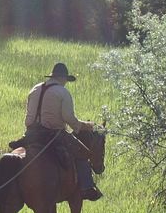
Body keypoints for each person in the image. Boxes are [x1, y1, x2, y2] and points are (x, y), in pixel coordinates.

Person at [10, 62, 102, 201]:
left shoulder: (35, 89)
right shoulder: (63, 92)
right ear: (63, 78)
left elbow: (29, 115)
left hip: (30, 133)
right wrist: (88, 126)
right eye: (66, 80)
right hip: (53, 134)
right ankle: (87, 188)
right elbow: (70, 120)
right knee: (83, 153)